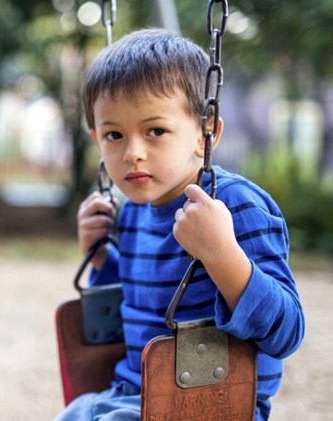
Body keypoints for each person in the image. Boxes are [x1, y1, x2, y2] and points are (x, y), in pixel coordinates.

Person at [54, 28, 305, 421]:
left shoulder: (235, 206)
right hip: (132, 395)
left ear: (205, 133)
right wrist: (104, 258)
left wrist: (222, 254)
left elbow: (286, 331)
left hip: (211, 405)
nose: (133, 153)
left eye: (156, 131)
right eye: (114, 135)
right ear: (96, 138)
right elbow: (140, 307)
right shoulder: (132, 211)